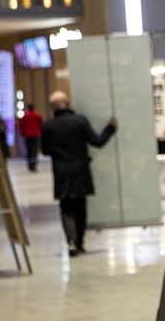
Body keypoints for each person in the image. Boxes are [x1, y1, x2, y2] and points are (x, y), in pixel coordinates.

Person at [40, 91, 117, 256]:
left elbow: (45, 151)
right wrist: (110, 128)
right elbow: (97, 142)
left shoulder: (47, 127)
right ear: (68, 103)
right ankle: (80, 243)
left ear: (52, 108)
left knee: (66, 208)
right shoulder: (80, 122)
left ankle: (71, 242)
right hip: (80, 170)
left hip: (61, 171)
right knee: (80, 207)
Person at [18, 103, 44, 172]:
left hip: (27, 135)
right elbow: (41, 123)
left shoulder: (25, 115)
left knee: (29, 150)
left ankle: (30, 164)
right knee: (34, 150)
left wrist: (23, 132)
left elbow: (21, 125)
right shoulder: (37, 115)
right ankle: (34, 164)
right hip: (35, 135)